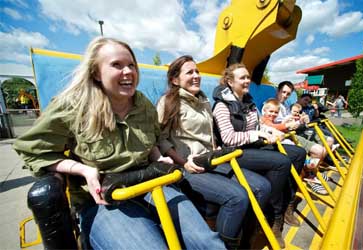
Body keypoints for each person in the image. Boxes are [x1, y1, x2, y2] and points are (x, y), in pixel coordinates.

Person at [13, 37, 225, 249]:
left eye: (131, 65)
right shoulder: (73, 106)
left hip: (150, 184)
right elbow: (33, 152)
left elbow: (152, 138)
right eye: (117, 65)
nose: (128, 71)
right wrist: (83, 170)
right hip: (104, 200)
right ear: (96, 72)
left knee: (208, 243)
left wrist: (158, 157)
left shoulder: (143, 104)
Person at [156, 55, 271, 248]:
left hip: (212, 160)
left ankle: (246, 240)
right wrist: (182, 162)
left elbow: (208, 133)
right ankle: (225, 246)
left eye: (197, 71)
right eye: (189, 72)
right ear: (175, 80)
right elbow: (160, 138)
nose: (196, 76)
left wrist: (215, 145)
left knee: (262, 187)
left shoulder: (203, 100)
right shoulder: (169, 102)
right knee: (237, 197)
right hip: (188, 166)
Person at [212, 63, 306, 248]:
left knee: (298, 153)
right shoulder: (222, 106)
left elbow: (256, 126)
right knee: (281, 162)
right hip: (234, 152)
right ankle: (273, 215)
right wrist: (258, 135)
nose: (247, 80)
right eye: (242, 78)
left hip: (251, 145)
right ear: (230, 82)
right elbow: (229, 138)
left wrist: (269, 132)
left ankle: (286, 203)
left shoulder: (248, 102)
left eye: (248, 76)